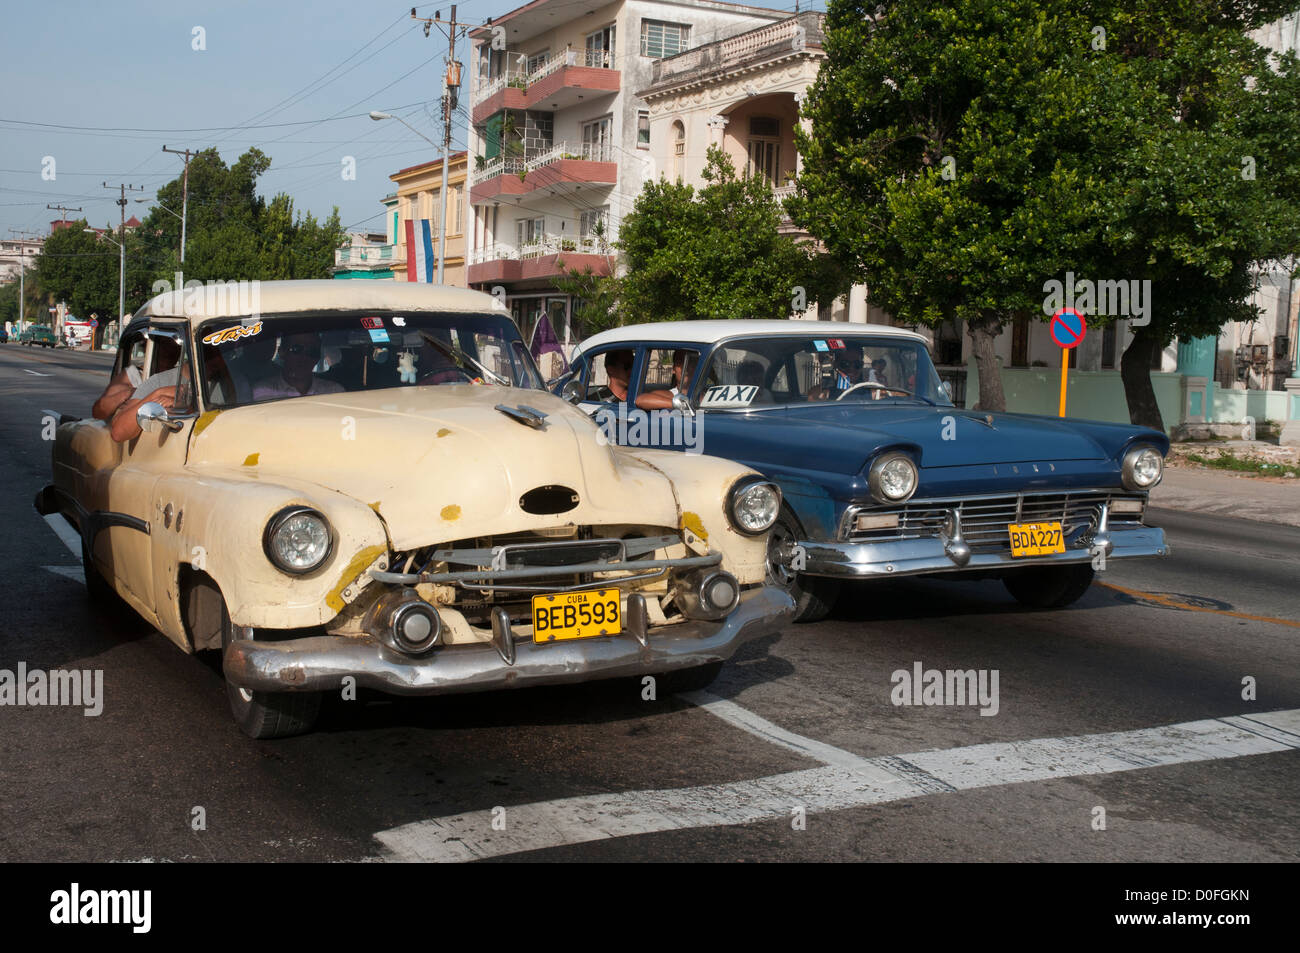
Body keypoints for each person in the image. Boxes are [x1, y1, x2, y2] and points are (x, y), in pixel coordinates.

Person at [108, 339, 183, 442]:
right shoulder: (142, 377)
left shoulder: (179, 378)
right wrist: (157, 394)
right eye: (164, 347)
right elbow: (118, 432)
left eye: (174, 348)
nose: (168, 352)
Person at [250, 332, 345, 401]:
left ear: (318, 357)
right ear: (282, 352)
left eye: (312, 351)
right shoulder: (262, 392)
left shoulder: (334, 392)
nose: (304, 357)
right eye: (297, 349)